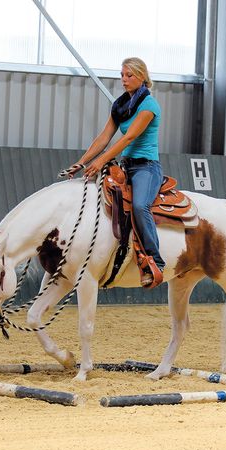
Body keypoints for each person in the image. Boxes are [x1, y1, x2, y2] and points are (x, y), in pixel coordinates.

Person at [66, 57, 165, 288]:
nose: (124, 80)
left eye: (129, 75)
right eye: (122, 75)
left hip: (146, 167)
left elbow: (129, 137)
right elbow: (103, 137)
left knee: (140, 206)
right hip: (125, 166)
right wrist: (82, 162)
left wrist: (101, 161)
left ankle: (155, 261)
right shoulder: (120, 106)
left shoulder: (149, 105)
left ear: (142, 77)